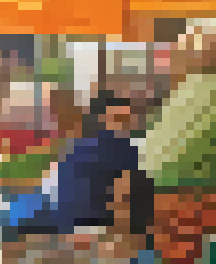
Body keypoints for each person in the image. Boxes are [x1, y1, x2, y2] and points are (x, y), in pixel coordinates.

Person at [10, 93, 142, 238]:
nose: (122, 123)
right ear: (103, 118)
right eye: (118, 118)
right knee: (18, 216)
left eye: (125, 119)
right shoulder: (86, 145)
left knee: (17, 220)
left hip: (83, 216)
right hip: (71, 212)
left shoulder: (120, 148)